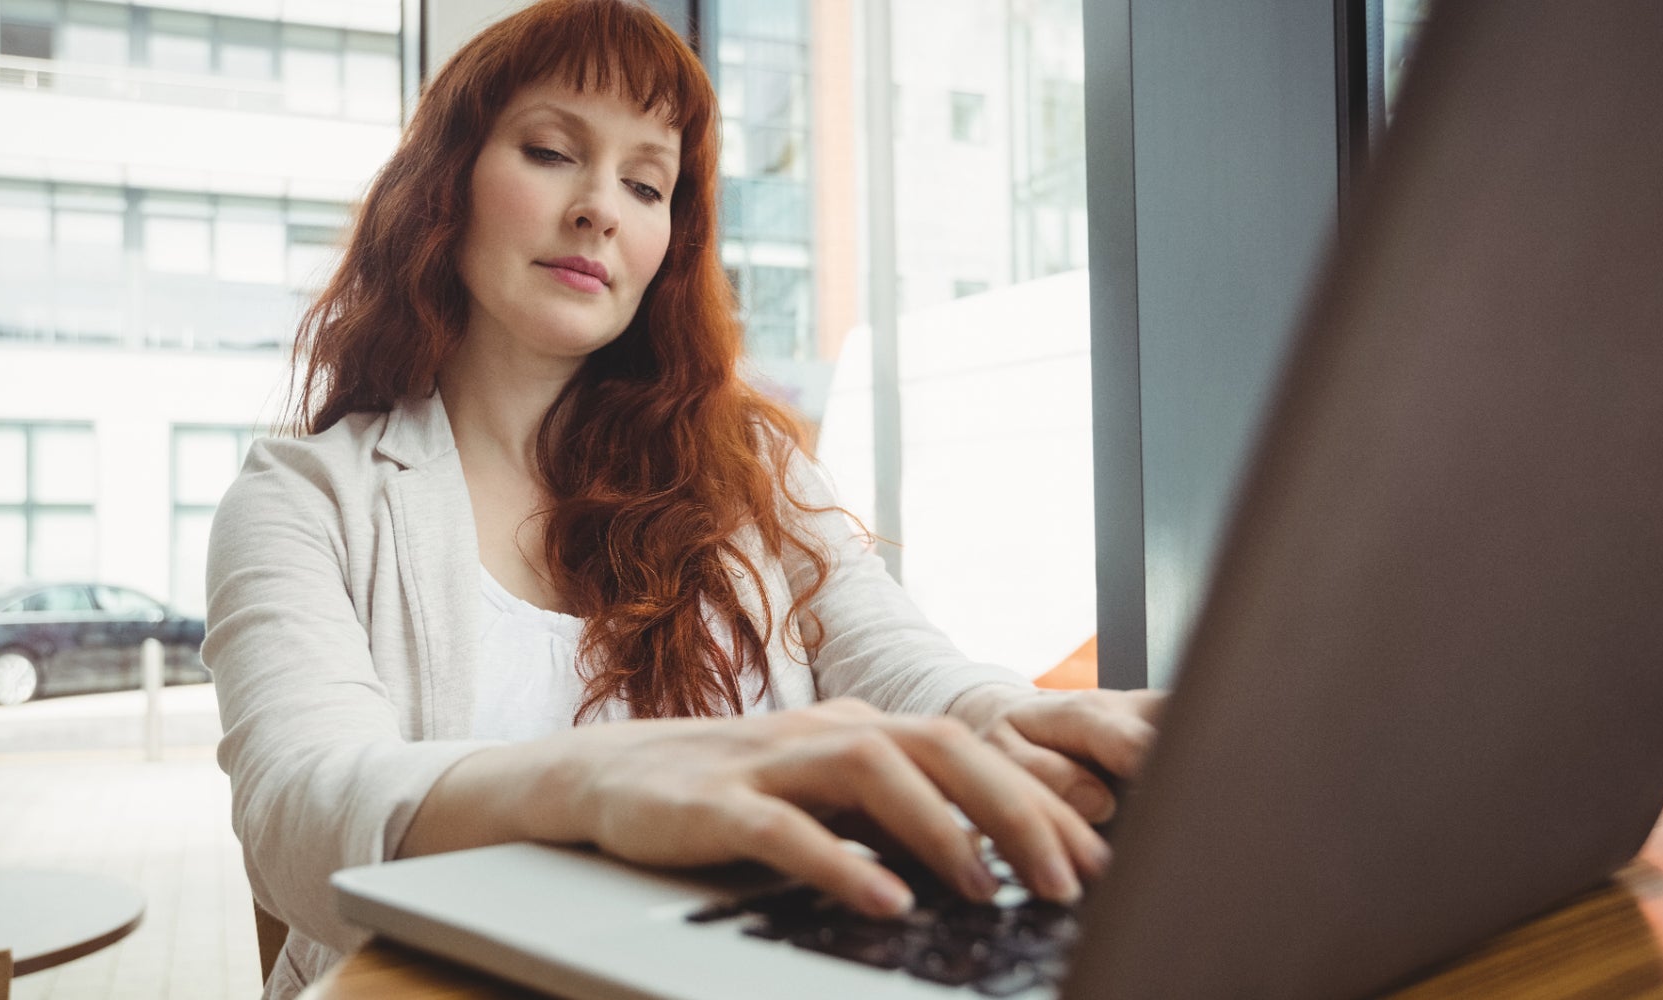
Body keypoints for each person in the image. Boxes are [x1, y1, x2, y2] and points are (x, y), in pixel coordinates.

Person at [204, 0, 1162, 994]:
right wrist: (599, 780)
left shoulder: (745, 459)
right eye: (547, 151)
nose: (599, 208)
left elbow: (890, 657)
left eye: (645, 182)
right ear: (445, 182)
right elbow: (298, 808)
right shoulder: (303, 500)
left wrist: (1004, 719)